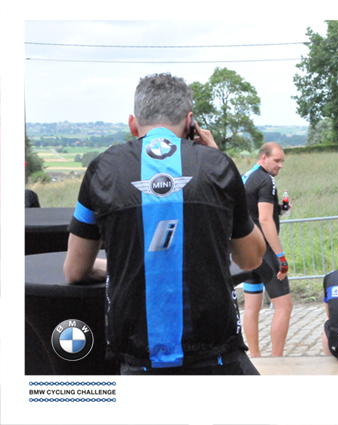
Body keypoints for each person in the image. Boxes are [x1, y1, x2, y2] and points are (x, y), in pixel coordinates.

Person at [63, 73, 266, 375]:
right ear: (190, 122)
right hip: (216, 357)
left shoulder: (102, 169)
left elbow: (75, 271)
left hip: (139, 361)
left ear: (133, 124)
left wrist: (133, 264)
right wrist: (217, 160)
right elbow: (251, 258)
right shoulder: (218, 165)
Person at [241, 142, 293, 357]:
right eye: (276, 161)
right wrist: (281, 256)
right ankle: (276, 360)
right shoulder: (266, 180)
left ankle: (255, 358)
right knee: (284, 306)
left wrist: (278, 209)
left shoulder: (246, 176)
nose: (280, 165)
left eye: (282, 161)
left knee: (252, 308)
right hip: (265, 252)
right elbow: (264, 220)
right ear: (263, 158)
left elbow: (252, 211)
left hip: (246, 251)